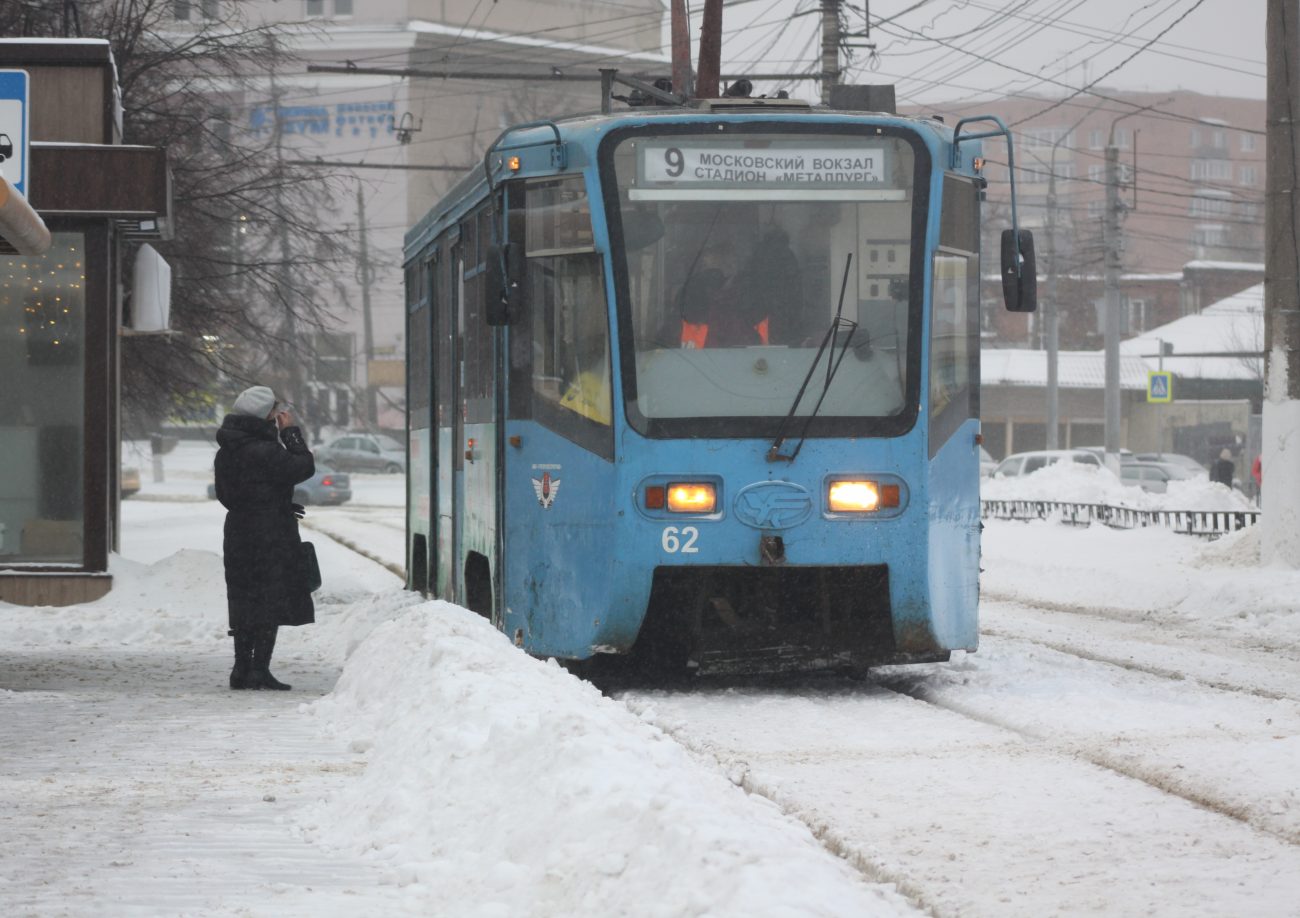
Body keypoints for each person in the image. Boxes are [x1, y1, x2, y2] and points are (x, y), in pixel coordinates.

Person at [214, 385, 316, 690]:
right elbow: (303, 466)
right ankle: (259, 670)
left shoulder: (227, 450)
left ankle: (240, 669)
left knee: (244, 599)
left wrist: (272, 502)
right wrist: (292, 434)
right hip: (269, 534)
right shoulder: (265, 450)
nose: (277, 416)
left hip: (238, 531)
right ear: (264, 415)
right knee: (269, 600)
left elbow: (232, 493)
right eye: (274, 411)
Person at [679, 239, 770, 348]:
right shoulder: (689, 303)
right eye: (707, 271)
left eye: (715, 272)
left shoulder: (749, 303)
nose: (710, 277)